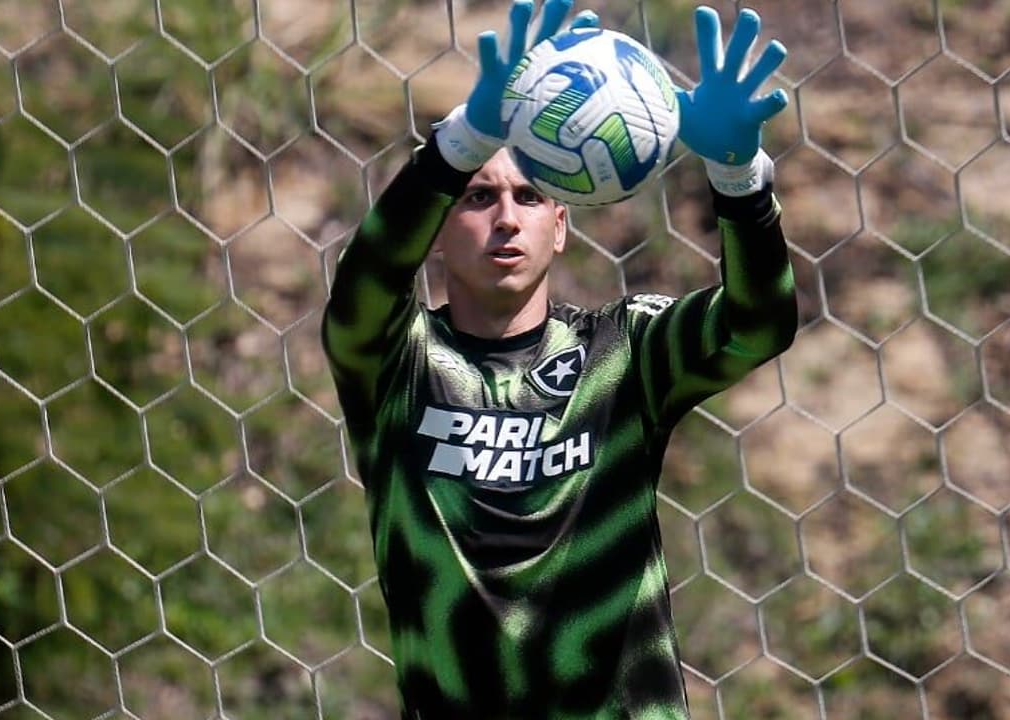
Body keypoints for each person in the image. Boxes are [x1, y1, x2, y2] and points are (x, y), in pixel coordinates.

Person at [321, 0, 798, 716]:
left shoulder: (625, 352)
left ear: (562, 225)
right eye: (479, 196)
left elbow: (757, 327)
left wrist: (740, 180)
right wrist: (459, 143)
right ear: (438, 229)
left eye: (530, 195)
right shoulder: (398, 365)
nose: (507, 217)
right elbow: (363, 290)